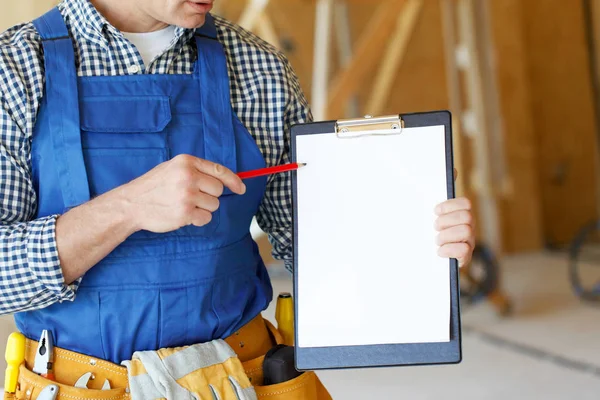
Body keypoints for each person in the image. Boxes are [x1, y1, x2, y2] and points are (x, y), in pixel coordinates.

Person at [0, 0, 475, 398]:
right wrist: (128, 208)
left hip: (244, 378)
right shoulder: (16, 70)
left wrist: (417, 239)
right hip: (79, 385)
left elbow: (316, 249)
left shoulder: (258, 68)